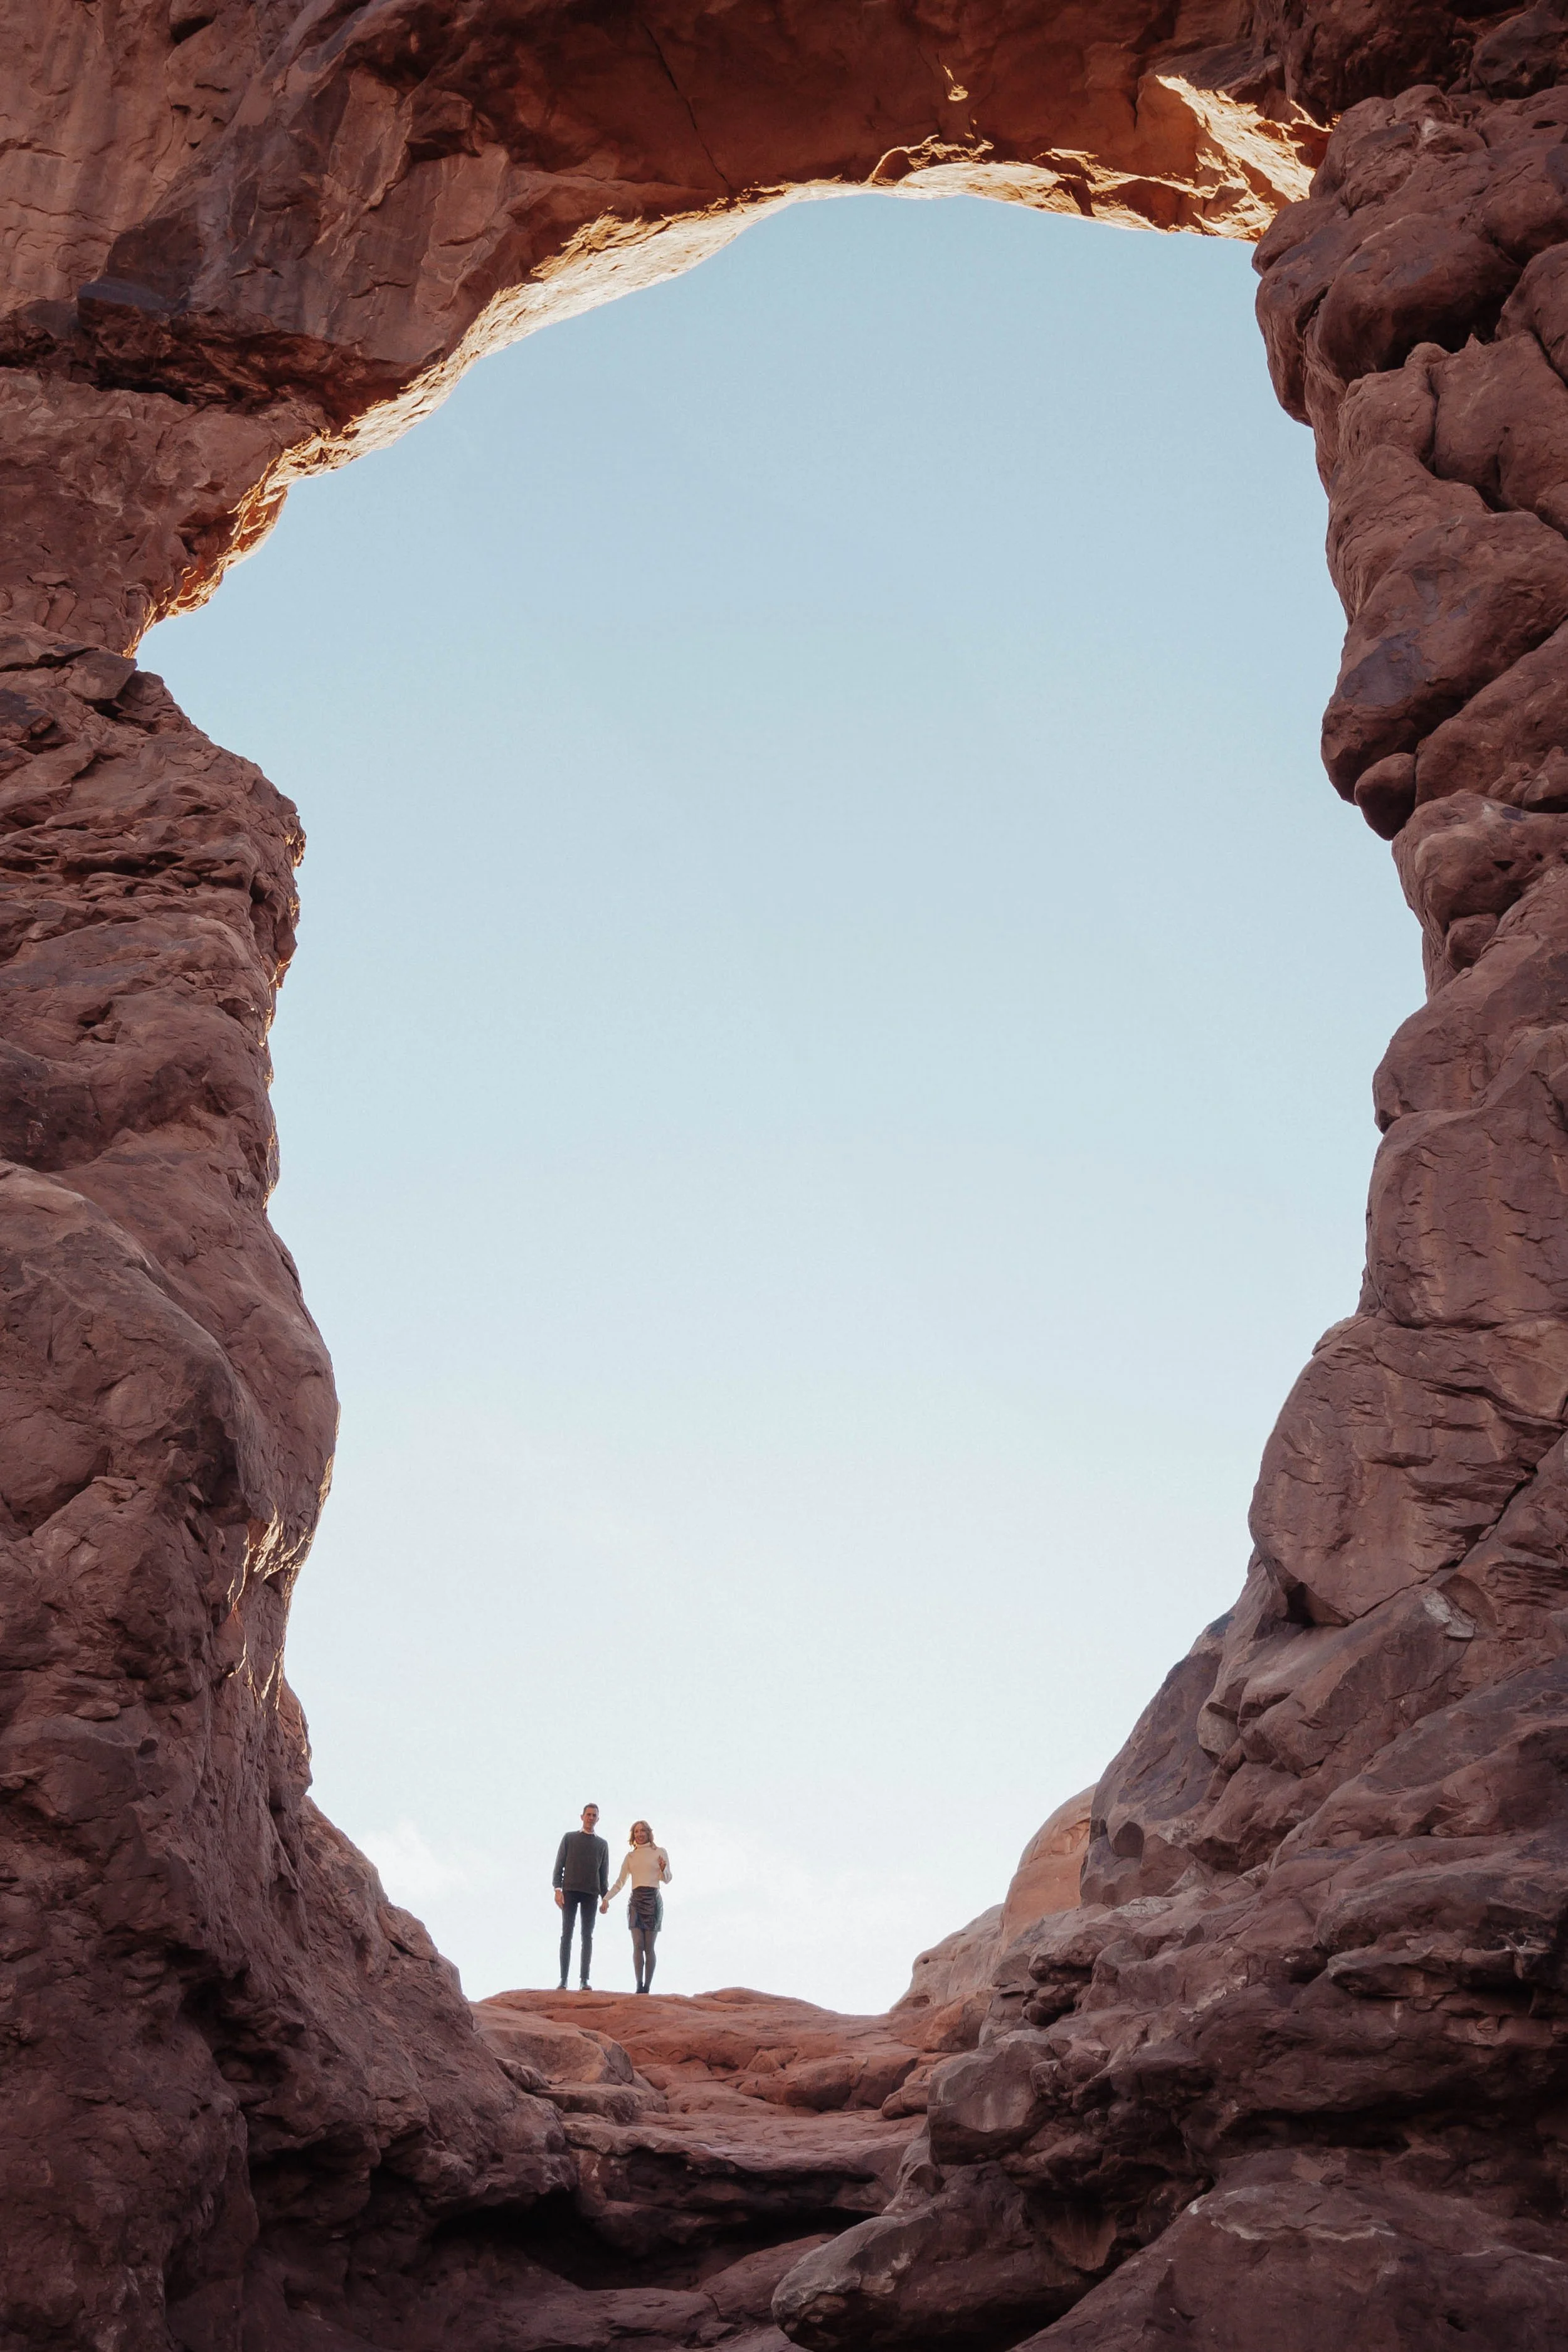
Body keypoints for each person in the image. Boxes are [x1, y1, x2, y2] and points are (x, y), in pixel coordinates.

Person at [607, 1820, 672, 1993]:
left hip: (653, 1900)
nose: (640, 1834)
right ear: (633, 1835)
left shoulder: (659, 1852)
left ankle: (647, 1987)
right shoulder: (631, 1857)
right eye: (636, 1832)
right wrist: (606, 1899)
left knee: (649, 1947)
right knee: (638, 1945)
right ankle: (638, 1985)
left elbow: (667, 1879)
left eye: (643, 1831)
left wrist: (663, 1868)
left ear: (649, 1833)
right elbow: (620, 1882)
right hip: (636, 1901)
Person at [552, 1803, 609, 1989]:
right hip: (569, 1890)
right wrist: (557, 1889)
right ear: (582, 1817)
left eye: (594, 1816)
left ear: (598, 1819)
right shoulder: (569, 1838)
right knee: (566, 1934)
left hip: (591, 1894)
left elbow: (603, 1875)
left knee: (587, 1935)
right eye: (589, 1815)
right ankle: (563, 1979)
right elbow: (559, 1865)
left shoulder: (602, 1845)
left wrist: (605, 1898)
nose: (591, 1818)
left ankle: (584, 1979)